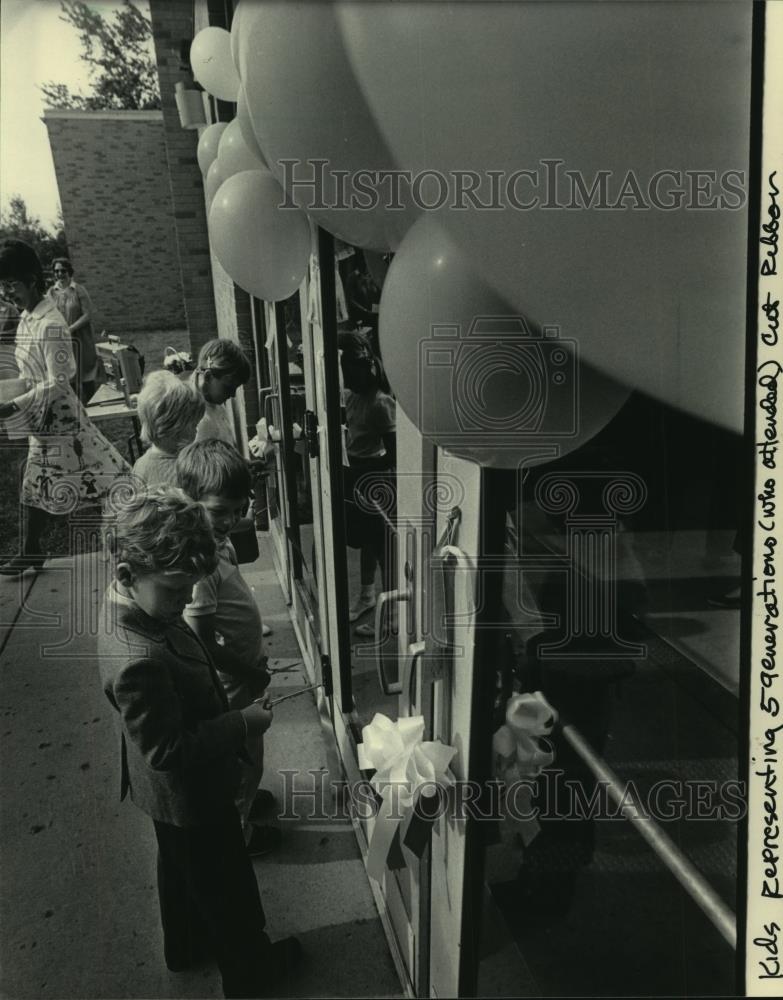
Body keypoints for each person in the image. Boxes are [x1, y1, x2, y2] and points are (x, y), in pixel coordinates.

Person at [98, 486, 300, 996]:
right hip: (191, 792)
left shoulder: (132, 607)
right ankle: (252, 973)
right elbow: (166, 750)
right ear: (128, 575)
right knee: (228, 887)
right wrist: (241, 724)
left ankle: (184, 944)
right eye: (175, 590)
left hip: (167, 801)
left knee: (181, 869)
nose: (187, 601)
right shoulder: (137, 655)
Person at [0, 239, 130, 577]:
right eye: (2, 285)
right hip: (41, 423)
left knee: (115, 479)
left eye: (11, 284)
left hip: (66, 425)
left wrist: (14, 404)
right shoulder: (28, 318)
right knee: (33, 484)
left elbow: (60, 381)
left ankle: (138, 537)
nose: (6, 292)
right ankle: (31, 551)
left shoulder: (51, 323)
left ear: (31, 279)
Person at [176, 439, 278, 854]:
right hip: (230, 682)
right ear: (189, 501)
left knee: (249, 751)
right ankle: (238, 833)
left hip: (240, 671)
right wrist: (247, 670)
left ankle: (247, 801)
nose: (231, 519)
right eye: (220, 511)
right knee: (241, 757)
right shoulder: (199, 566)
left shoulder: (218, 543)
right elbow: (199, 639)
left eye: (238, 510)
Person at [339, 331, 396, 637]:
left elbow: (394, 454)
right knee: (366, 541)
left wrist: (363, 468)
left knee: (384, 544)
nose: (346, 379)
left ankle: (393, 615)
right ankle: (366, 595)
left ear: (368, 370)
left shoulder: (380, 403)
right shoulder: (352, 397)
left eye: (350, 373)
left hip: (376, 478)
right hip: (357, 476)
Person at [132, 369, 205, 487]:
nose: (196, 430)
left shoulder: (140, 465)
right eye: (193, 425)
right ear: (173, 428)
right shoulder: (187, 471)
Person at [47, 257, 100, 402]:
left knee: (85, 373)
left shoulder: (78, 290)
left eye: (62, 270)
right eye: (56, 271)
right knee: (68, 373)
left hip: (81, 338)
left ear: (69, 271)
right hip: (62, 340)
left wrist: (70, 329)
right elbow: (49, 315)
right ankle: (77, 408)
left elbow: (88, 314)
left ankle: (92, 405)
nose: (59, 274)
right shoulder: (51, 292)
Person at [193, 338, 252, 446]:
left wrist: (243, 462)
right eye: (228, 387)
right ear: (208, 376)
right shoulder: (197, 424)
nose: (233, 394)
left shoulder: (213, 399)